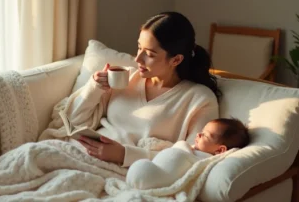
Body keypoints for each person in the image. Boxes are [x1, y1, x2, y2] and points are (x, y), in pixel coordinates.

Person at [66, 11, 221, 167]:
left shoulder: (199, 99)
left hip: (131, 171)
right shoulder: (125, 77)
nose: (137, 59)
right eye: (139, 47)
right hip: (80, 153)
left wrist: (124, 155)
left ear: (176, 59)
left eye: (149, 54)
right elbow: (73, 122)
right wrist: (94, 88)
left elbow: (194, 158)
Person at [126, 118, 250, 189]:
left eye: (205, 135)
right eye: (202, 131)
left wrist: (183, 146)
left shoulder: (205, 161)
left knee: (141, 169)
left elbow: (192, 173)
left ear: (219, 150)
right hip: (152, 169)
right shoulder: (194, 149)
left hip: (157, 179)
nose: (198, 134)